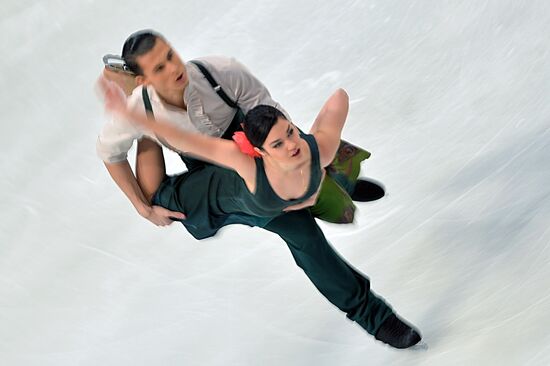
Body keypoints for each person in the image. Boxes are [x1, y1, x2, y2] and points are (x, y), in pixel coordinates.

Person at [98, 74, 422, 349]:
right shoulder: (243, 163)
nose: (291, 145)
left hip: (265, 167)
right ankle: (375, 317)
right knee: (302, 233)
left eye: (290, 135)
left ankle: (337, 186)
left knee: (317, 159)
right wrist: (137, 110)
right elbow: (181, 139)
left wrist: (312, 157)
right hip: (223, 195)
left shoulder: (221, 78)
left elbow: (328, 107)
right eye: (278, 144)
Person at [97, 30, 384, 229]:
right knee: (298, 202)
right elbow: (110, 151)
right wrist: (141, 207)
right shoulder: (139, 110)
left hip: (249, 133)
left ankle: (344, 182)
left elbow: (275, 118)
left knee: (314, 160)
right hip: (209, 158)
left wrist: (297, 161)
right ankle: (328, 196)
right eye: (159, 68)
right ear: (143, 80)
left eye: (171, 55)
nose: (174, 68)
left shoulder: (220, 71)